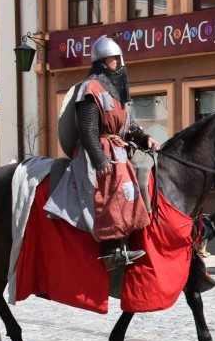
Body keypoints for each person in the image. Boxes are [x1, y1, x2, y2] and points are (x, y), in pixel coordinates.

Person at [44, 36, 159, 271]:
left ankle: (126, 243)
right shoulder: (91, 88)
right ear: (101, 60)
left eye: (119, 57)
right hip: (97, 150)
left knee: (129, 189)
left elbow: (129, 125)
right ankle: (109, 253)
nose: (119, 61)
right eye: (114, 57)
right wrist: (99, 158)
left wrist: (145, 137)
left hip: (118, 149)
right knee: (112, 190)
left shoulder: (117, 91)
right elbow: (86, 128)